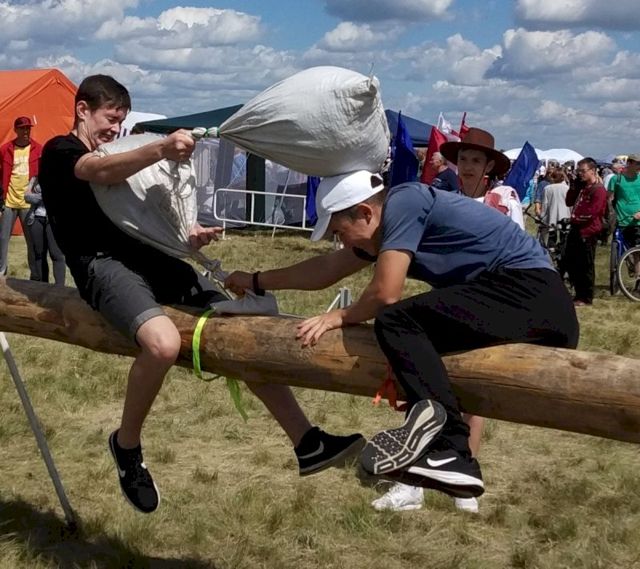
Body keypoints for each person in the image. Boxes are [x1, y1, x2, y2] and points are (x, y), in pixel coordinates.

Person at [38, 74, 364, 514]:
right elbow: (95, 171)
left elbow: (146, 214)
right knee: (162, 344)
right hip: (101, 264)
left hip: (153, 259)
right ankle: (126, 445)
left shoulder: (118, 152)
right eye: (110, 119)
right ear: (82, 109)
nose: (115, 130)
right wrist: (160, 147)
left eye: (121, 121)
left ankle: (307, 442)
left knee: (246, 323)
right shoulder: (62, 151)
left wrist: (188, 235)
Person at [225, 170, 579, 513]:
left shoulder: (405, 203)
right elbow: (324, 270)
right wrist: (256, 281)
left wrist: (340, 316)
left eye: (340, 232)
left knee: (396, 321)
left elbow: (386, 293)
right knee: (412, 341)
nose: (343, 242)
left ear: (365, 213)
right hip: (522, 299)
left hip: (533, 295)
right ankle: (450, 453)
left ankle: (451, 448)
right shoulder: (379, 227)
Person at [0, 116, 40, 278]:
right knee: (2, 239)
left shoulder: (38, 149)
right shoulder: (5, 149)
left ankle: (35, 276)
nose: (26, 131)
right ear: (15, 130)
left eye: (28, 128)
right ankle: (1, 272)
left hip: (28, 204)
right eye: (22, 128)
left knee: (32, 242)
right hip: (9, 202)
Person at [564, 158, 607, 306]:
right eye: (578, 171)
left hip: (588, 231)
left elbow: (593, 212)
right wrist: (573, 186)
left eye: (583, 171)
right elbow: (569, 202)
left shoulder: (599, 190)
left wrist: (575, 218)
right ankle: (577, 292)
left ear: (592, 171)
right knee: (571, 262)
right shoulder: (582, 188)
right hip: (576, 229)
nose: (580, 174)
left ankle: (586, 296)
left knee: (585, 265)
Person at [24, 179, 66, 285]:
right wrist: (45, 196)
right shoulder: (35, 179)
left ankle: (60, 289)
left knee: (56, 254)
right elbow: (26, 197)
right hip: (36, 218)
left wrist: (36, 196)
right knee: (39, 254)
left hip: (54, 220)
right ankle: (42, 286)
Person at [608, 154, 640, 280]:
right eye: (638, 164)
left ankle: (638, 279)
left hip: (637, 221)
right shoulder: (616, 179)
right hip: (621, 219)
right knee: (621, 248)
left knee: (637, 252)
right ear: (630, 163)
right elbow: (609, 198)